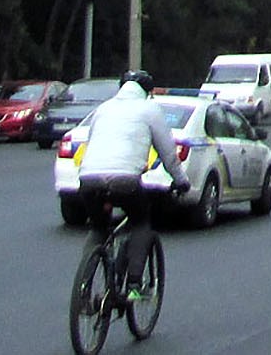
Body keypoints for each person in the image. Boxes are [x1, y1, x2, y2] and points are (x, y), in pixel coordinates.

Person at [77, 70, 190, 301]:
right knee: (141, 222)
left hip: (88, 178)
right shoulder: (150, 110)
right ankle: (135, 286)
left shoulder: (103, 108)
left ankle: (84, 289)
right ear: (148, 92)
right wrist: (181, 181)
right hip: (126, 180)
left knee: (99, 228)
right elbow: (168, 154)